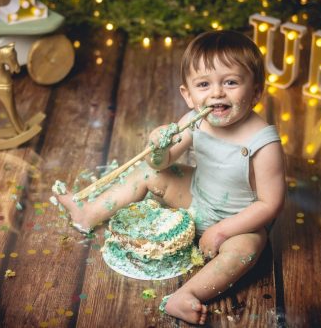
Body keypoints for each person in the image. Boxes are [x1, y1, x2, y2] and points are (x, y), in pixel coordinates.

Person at [55, 30, 286, 325]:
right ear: (188, 95)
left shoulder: (263, 143)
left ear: (255, 92)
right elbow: (161, 162)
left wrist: (223, 230)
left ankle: (187, 295)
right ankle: (88, 213)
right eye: (204, 84)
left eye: (230, 82)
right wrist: (158, 146)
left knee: (248, 249)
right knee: (148, 172)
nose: (216, 93)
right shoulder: (194, 120)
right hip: (197, 197)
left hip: (241, 220)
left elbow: (270, 205)